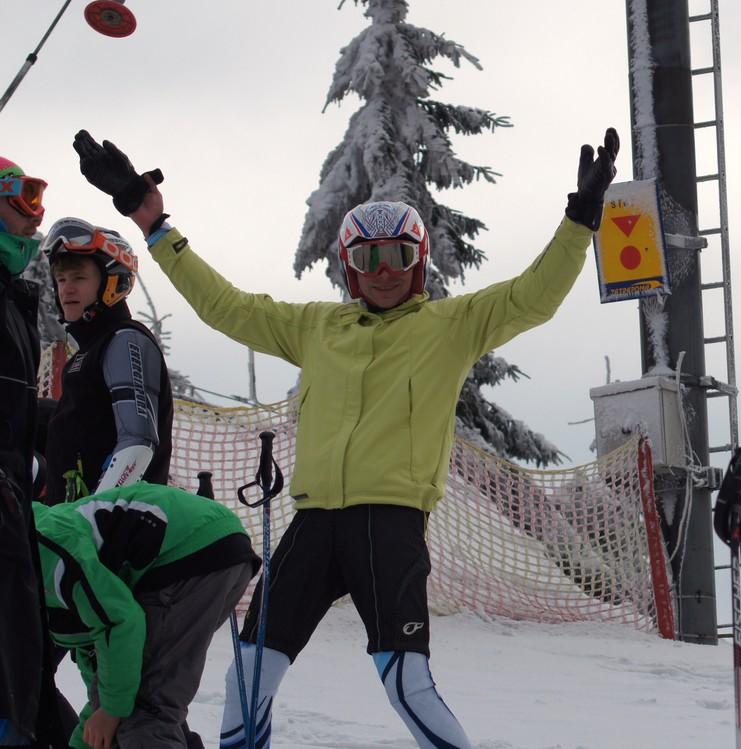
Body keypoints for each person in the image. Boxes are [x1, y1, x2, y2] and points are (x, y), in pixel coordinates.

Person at [72, 126, 620, 749]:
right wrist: (154, 224)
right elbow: (225, 305)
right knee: (249, 671)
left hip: (388, 526)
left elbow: (534, 296)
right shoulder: (316, 328)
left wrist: (579, 222)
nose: (384, 273)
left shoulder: (450, 327)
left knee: (405, 683)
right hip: (314, 526)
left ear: (419, 264)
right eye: (367, 259)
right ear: (348, 266)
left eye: (397, 258)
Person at [33, 481, 259, 749]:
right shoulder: (39, 575)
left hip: (188, 553)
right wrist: (107, 712)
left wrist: (112, 710)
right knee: (139, 702)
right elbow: (102, 685)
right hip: (210, 549)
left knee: (142, 713)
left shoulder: (40, 548)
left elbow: (120, 622)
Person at [40, 217, 174, 503]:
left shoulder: (125, 339)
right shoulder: (87, 354)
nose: (67, 289)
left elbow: (138, 444)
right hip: (74, 526)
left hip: (111, 529)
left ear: (112, 282)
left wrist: (92, 515)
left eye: (79, 278)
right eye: (61, 279)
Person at [0, 155, 64, 748]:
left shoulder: (15, 306)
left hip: (16, 503)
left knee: (29, 659)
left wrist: (62, 423)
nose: (31, 217)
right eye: (19, 201)